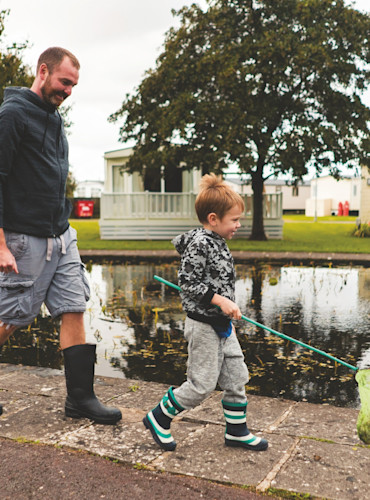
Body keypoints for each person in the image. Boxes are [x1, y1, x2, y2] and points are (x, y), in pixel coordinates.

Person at [0, 47, 121, 424]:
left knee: (73, 307)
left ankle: (80, 401)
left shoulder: (54, 119)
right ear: (43, 71)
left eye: (74, 85)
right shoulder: (12, 115)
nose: (68, 91)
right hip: (24, 238)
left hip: (62, 236)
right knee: (10, 319)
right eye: (64, 82)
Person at [143, 174, 268, 451]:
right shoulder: (200, 244)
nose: (238, 225)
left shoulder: (217, 241)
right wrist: (220, 301)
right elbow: (187, 283)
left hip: (222, 326)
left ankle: (237, 431)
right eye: (234, 220)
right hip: (203, 326)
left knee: (236, 378)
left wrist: (224, 309)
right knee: (201, 385)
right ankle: (159, 416)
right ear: (213, 219)